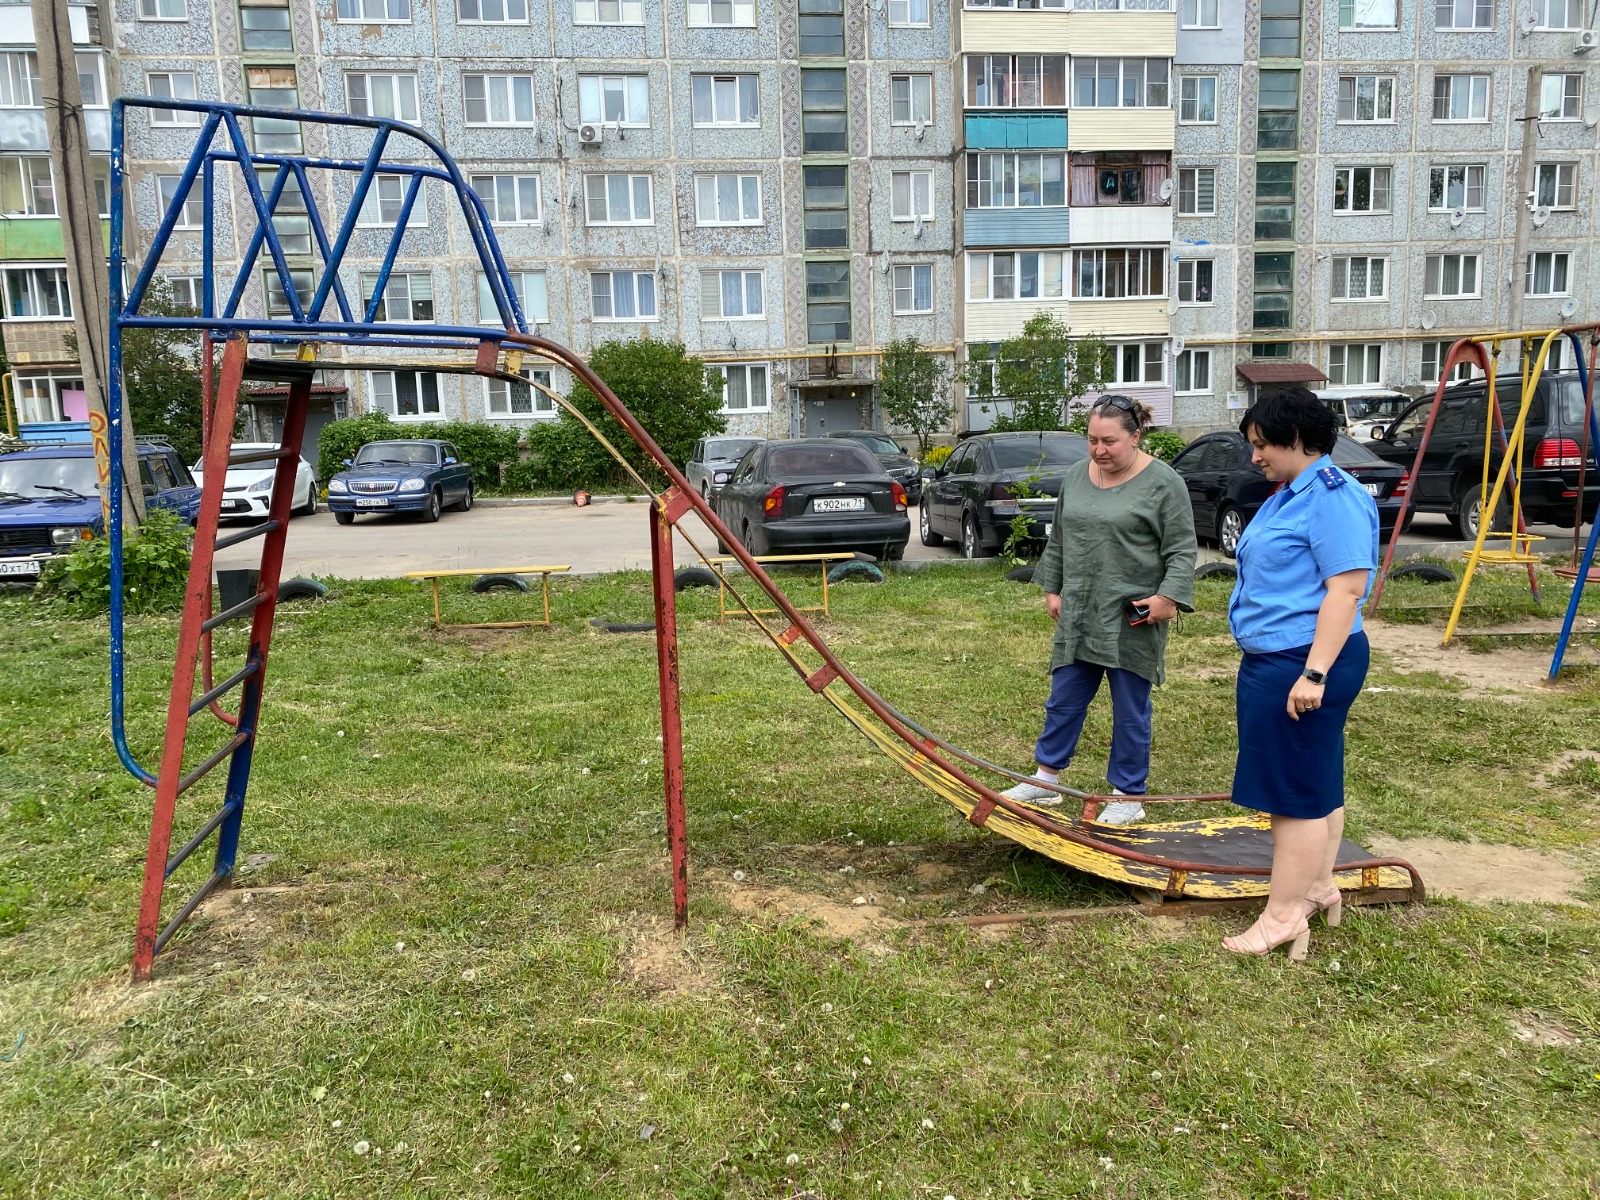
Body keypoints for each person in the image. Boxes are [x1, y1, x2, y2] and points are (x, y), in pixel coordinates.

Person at [1222, 387, 1378, 960]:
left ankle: (1283, 915)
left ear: (1295, 440)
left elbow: (1346, 590)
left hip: (1305, 660)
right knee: (1316, 777)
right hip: (1285, 657)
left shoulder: (1333, 497)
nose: (1255, 457)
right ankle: (1316, 886)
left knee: (1292, 793)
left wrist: (1313, 675)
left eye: (1262, 445)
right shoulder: (1290, 493)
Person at [1002, 395, 1197, 823]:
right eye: (1092, 440)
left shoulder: (1164, 483)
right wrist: (1052, 587)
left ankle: (1128, 795)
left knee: (1130, 709)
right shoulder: (1076, 475)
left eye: (1109, 441)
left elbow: (1182, 550)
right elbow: (1061, 538)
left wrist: (1168, 599)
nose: (1099, 450)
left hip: (1132, 613)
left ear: (1136, 437)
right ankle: (1046, 781)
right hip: (1081, 609)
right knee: (1064, 698)